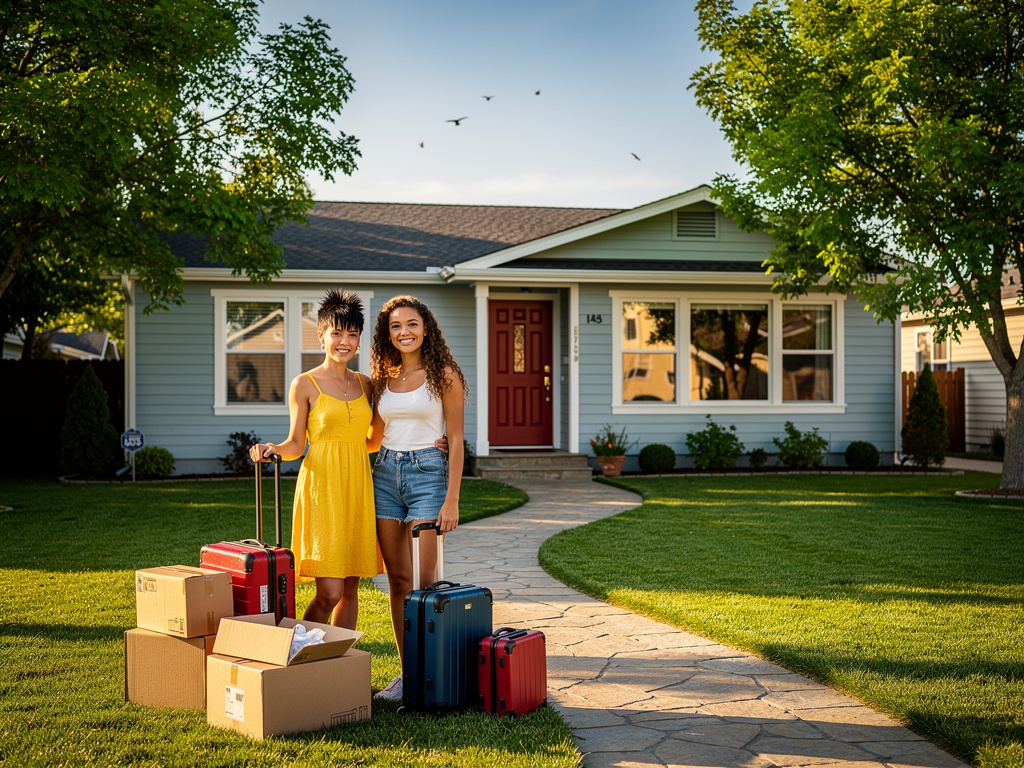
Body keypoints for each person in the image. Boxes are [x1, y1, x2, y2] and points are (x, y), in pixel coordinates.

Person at [248, 288, 378, 630]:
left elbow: (373, 440)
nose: (344, 341)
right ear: (321, 336)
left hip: (358, 488)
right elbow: (296, 443)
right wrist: (272, 449)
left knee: (351, 588)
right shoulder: (304, 384)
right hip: (322, 490)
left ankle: (339, 655)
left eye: (352, 334)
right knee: (329, 594)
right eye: (337, 333)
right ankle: (300, 648)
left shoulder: (367, 385)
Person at [368, 294, 468, 701]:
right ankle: (408, 675)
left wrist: (452, 499)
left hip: (428, 475)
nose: (404, 332)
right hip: (385, 476)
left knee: (425, 585)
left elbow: (456, 439)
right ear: (387, 334)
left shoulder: (444, 375)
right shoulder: (383, 377)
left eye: (411, 324)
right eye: (395, 326)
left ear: (426, 328)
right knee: (398, 581)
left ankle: (433, 674)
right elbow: (373, 437)